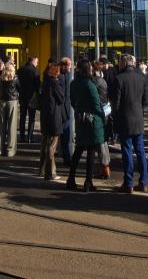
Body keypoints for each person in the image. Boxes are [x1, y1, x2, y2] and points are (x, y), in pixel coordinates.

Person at [110, 54, 148, 193]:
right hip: (138, 118)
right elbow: (145, 101)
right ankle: (143, 182)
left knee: (127, 150)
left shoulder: (119, 79)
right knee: (140, 151)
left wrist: (114, 117)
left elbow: (116, 103)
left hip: (124, 119)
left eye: (119, 62)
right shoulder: (142, 78)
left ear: (124, 63)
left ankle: (128, 183)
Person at [67, 59, 105, 192]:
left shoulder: (74, 83)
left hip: (80, 118)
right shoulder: (90, 84)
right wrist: (103, 114)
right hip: (93, 120)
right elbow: (96, 105)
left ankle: (70, 178)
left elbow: (72, 101)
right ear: (88, 69)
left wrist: (79, 111)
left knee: (78, 149)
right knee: (91, 151)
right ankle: (88, 181)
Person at [38, 62, 66, 180]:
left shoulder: (45, 82)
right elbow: (61, 99)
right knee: (52, 145)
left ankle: (42, 169)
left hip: (45, 116)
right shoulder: (55, 83)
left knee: (44, 142)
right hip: (54, 116)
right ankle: (50, 173)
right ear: (56, 72)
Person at [91, 62, 112, 179]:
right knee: (102, 141)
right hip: (105, 112)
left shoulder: (94, 82)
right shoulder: (103, 82)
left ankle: (104, 167)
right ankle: (105, 166)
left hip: (97, 113)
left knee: (99, 142)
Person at [0, 62, 20, 157]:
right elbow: (20, 89)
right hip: (12, 102)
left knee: (0, 126)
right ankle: (10, 150)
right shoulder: (15, 79)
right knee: (12, 127)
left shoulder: (0, 79)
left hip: (1, 101)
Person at [17, 56, 41, 143]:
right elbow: (38, 86)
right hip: (32, 97)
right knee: (32, 118)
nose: (37, 64)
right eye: (37, 62)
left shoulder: (20, 69)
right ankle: (30, 137)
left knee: (22, 117)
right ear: (33, 61)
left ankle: (22, 136)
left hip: (22, 96)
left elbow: (17, 83)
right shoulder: (34, 71)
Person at [58, 56, 74, 165]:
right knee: (65, 136)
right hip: (63, 111)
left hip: (66, 109)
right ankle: (67, 157)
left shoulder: (65, 75)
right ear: (64, 66)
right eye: (69, 65)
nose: (71, 67)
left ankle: (66, 156)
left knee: (65, 136)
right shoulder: (61, 76)